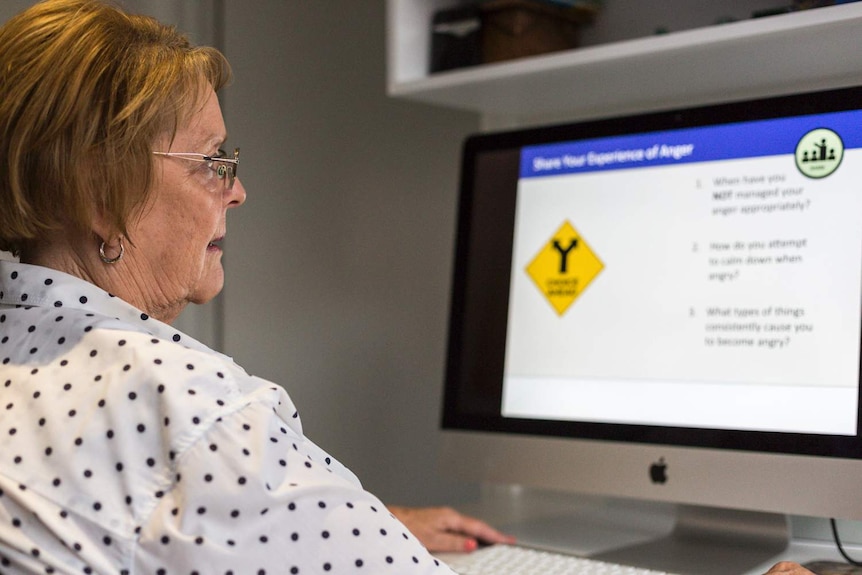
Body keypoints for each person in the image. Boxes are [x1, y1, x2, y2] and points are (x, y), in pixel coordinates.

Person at [0, 1, 512, 573]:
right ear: (100, 192)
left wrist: (322, 521)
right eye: (211, 160)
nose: (236, 190)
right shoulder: (191, 416)